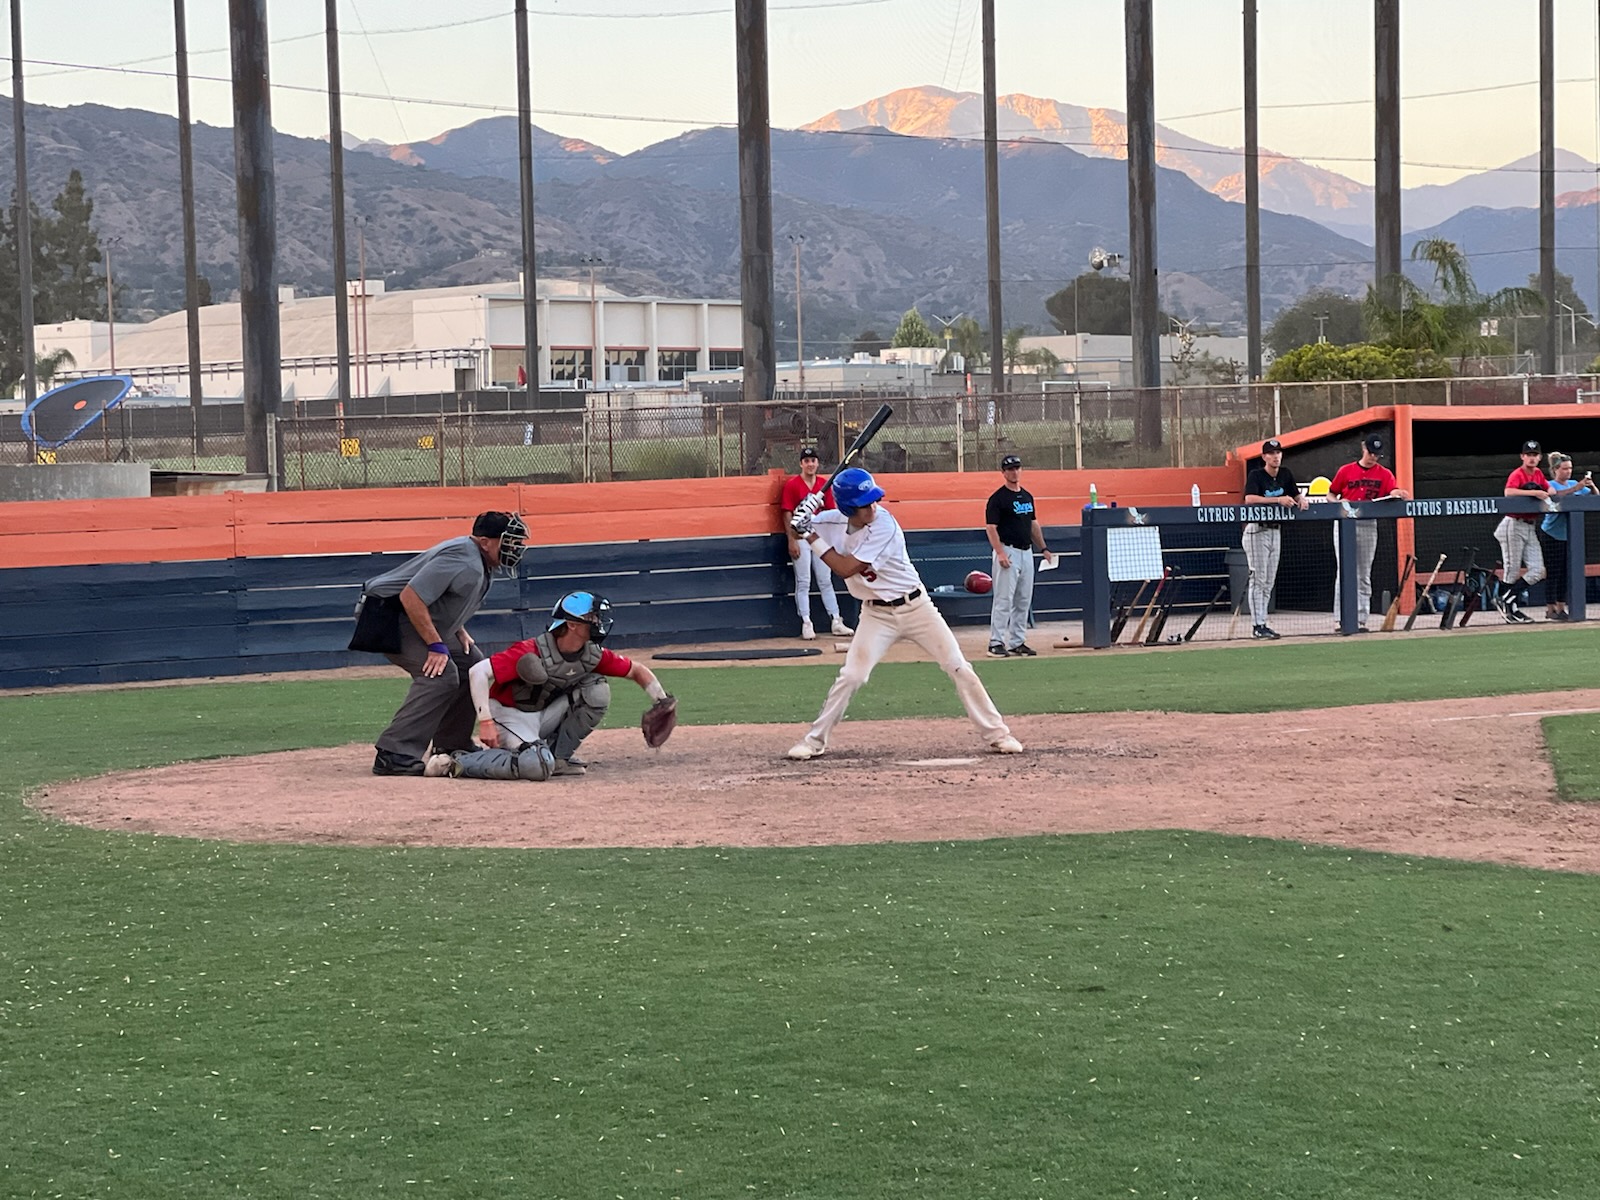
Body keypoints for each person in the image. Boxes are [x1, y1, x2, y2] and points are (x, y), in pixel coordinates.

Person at [784, 467, 1022, 760]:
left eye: (874, 500)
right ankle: (814, 741)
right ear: (847, 508)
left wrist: (807, 532)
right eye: (865, 504)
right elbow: (799, 527)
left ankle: (999, 734)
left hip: (916, 607)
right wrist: (799, 518)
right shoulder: (830, 522)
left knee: (958, 666)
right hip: (875, 615)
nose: (873, 507)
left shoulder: (884, 524)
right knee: (852, 676)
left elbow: (845, 568)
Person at [424, 590, 670, 780]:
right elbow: (478, 671)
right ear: (572, 624)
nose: (599, 621)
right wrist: (486, 721)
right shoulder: (530, 649)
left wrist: (662, 701)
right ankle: (455, 762)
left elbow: (636, 670)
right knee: (536, 766)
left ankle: (559, 758)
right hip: (508, 715)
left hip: (540, 715)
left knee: (596, 689)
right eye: (592, 617)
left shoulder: (592, 653)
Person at [361, 511, 528, 776]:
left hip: (408, 614)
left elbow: (441, 598)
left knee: (471, 665)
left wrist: (456, 628)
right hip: (387, 615)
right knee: (440, 675)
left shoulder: (477, 559)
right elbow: (411, 596)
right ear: (485, 542)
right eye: (509, 541)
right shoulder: (464, 560)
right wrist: (436, 646)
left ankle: (451, 745)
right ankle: (394, 753)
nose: (515, 549)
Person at [1327, 433, 1410, 632]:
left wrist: (1399, 493)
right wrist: (1339, 504)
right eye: (1371, 452)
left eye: (1377, 454)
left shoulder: (1384, 474)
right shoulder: (1346, 470)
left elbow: (1392, 492)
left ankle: (1361, 619)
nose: (1373, 457)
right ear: (1364, 448)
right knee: (1344, 571)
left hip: (1367, 524)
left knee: (1364, 573)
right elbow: (1331, 493)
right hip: (1345, 523)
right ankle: (1341, 620)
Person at [984, 453, 1057, 657]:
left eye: (1017, 468)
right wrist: (1000, 552)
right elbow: (991, 527)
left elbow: (1033, 524)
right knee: (1003, 599)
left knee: (1023, 598)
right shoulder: (998, 499)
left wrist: (1043, 548)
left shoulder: (1026, 496)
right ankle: (996, 642)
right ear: (1003, 473)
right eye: (1010, 469)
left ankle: (1017, 641)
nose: (1014, 472)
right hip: (1008, 550)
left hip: (1026, 552)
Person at [780, 446, 852, 641]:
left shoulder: (824, 484)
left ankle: (836, 619)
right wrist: (791, 539)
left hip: (820, 536)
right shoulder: (793, 485)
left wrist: (833, 540)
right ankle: (806, 622)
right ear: (801, 464)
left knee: (824, 579)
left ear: (817, 463)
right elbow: (787, 512)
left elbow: (832, 513)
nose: (810, 464)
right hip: (802, 535)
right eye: (806, 461)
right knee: (803, 581)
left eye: (813, 461)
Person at [1241, 438, 1306, 640]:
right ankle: (1257, 624)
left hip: (1275, 530)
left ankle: (1263, 623)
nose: (1275, 456)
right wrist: (1277, 499)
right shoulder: (1256, 475)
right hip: (1256, 531)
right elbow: (1249, 499)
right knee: (1258, 580)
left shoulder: (1285, 474)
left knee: (1269, 582)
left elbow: (1295, 495)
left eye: (1278, 453)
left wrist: (1301, 500)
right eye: (1271, 453)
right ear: (1264, 457)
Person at [1495, 439, 1551, 623]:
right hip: (1513, 523)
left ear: (1540, 457)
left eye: (1535, 455)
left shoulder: (1538, 474)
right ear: (1522, 456)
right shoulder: (1518, 473)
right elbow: (1509, 492)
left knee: (1538, 570)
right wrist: (1534, 493)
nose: (1532, 458)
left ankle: (1506, 599)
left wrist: (1548, 491)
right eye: (1529, 455)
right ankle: (1510, 608)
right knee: (1511, 570)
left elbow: (1548, 488)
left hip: (1529, 525)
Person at [1538, 451, 1594, 621]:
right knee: (1553, 572)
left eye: (1570, 469)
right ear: (1555, 469)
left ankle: (1562, 608)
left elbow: (1594, 497)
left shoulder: (1573, 483)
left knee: (1565, 572)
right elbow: (1554, 497)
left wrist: (1590, 486)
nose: (1568, 472)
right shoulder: (1550, 484)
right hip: (1551, 534)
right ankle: (1550, 608)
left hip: (1568, 536)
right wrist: (1576, 488)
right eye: (1564, 469)